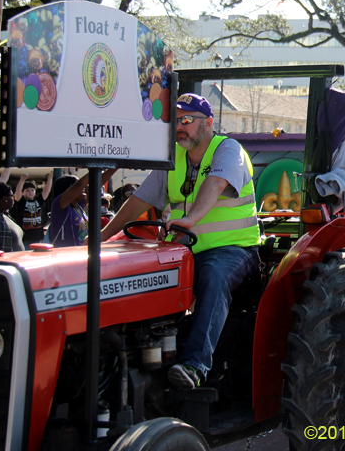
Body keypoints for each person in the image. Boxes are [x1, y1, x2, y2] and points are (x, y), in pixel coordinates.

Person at [100, 93, 260, 390]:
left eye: (187, 120)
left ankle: (195, 365)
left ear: (208, 123)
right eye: (176, 121)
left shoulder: (228, 151)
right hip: (183, 251)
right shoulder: (172, 158)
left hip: (234, 250)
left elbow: (214, 184)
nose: (180, 128)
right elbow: (138, 201)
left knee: (213, 277)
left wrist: (190, 219)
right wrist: (100, 238)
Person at [49, 169, 116, 247]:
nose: (83, 188)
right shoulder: (59, 206)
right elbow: (79, 185)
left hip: (80, 254)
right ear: (68, 190)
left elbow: (96, 183)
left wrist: (115, 167)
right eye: (75, 185)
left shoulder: (79, 206)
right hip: (64, 255)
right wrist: (96, 168)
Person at [10, 171, 54, 247]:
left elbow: (46, 191)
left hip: (37, 235)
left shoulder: (38, 201)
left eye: (32, 190)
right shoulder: (22, 202)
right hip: (25, 236)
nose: (30, 192)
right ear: (23, 193)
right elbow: (17, 194)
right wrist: (22, 180)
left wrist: (50, 178)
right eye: (27, 191)